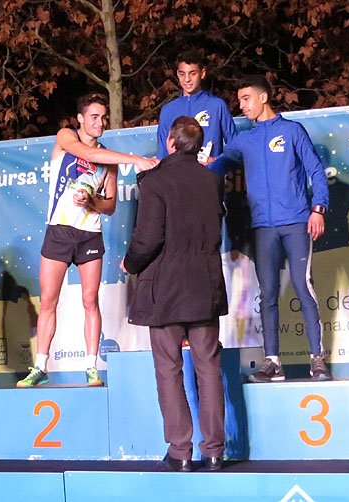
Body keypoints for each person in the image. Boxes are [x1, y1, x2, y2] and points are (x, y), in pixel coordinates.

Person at [16, 92, 159, 388]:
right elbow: (89, 155)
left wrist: (91, 201)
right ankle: (40, 366)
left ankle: (91, 367)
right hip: (59, 231)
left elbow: (110, 206)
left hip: (89, 235)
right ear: (80, 118)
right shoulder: (66, 137)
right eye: (94, 117)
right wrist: (137, 160)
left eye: (103, 118)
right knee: (48, 301)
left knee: (90, 300)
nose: (100, 123)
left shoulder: (110, 161)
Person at [122, 116, 228, 472]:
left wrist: (130, 263)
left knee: (169, 370)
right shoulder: (213, 180)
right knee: (209, 368)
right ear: (197, 146)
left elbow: (148, 238)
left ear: (170, 143)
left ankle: (180, 452)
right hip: (204, 284)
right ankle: (214, 451)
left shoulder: (155, 181)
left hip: (165, 288)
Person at [210, 76, 331, 382]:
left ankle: (317, 359)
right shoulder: (245, 139)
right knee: (268, 295)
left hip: (296, 221)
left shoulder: (292, 131)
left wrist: (318, 208)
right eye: (240, 100)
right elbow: (218, 165)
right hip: (263, 226)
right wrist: (191, 164)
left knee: (303, 287)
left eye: (246, 99)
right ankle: (273, 362)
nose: (241, 105)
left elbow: (316, 170)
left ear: (263, 98)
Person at [156, 51, 237, 163]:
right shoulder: (168, 110)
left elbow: (235, 147)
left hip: (209, 172)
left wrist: (215, 161)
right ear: (177, 74)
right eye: (182, 74)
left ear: (202, 74)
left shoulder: (217, 106)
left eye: (192, 74)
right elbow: (162, 155)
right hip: (179, 173)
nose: (187, 79)